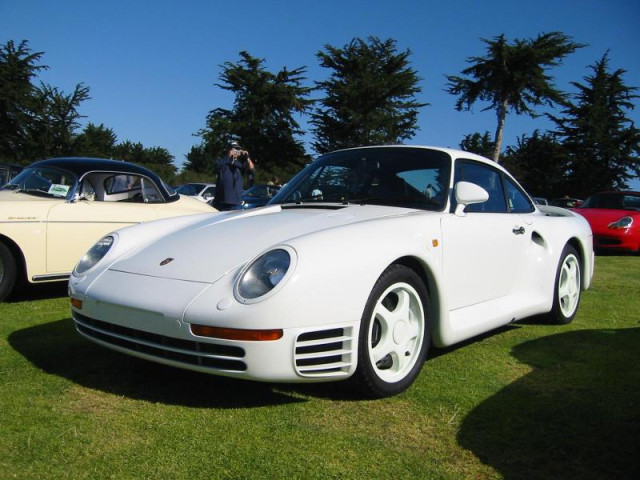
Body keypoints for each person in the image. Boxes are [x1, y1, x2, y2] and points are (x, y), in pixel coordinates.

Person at [213, 140, 255, 210]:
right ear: (228, 149)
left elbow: (252, 170)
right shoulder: (221, 161)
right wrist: (229, 156)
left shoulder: (241, 164)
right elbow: (216, 166)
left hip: (235, 202)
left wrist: (247, 157)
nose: (236, 151)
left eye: (238, 149)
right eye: (234, 149)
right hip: (221, 201)